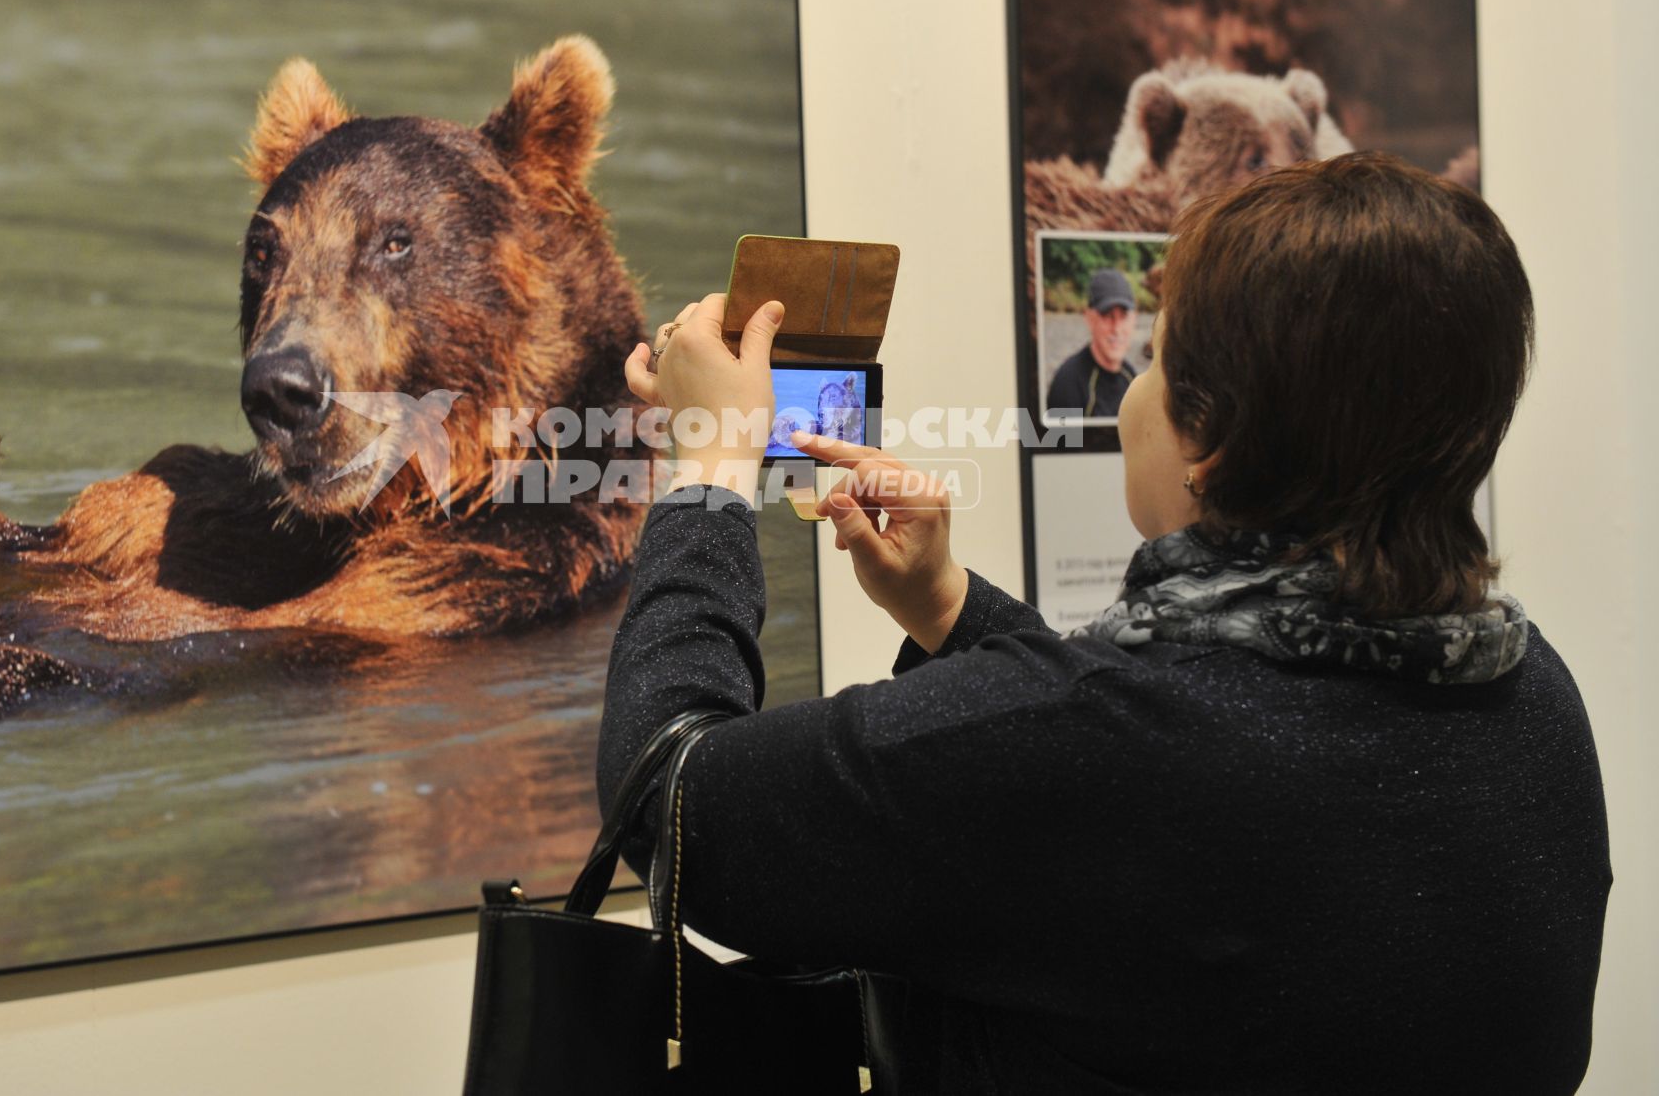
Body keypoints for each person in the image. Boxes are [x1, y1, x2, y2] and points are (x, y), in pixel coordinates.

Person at [600, 152, 1609, 1094]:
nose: (1132, 393)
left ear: (1209, 441)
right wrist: (948, 605)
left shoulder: (1114, 742)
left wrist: (711, 472)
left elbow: (671, 802)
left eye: (1160, 360)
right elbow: (1129, 800)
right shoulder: (1535, 704)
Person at [1045, 266, 1137, 418]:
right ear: (1089, 319)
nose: (1117, 328)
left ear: (1134, 319)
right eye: (1107, 316)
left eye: (1123, 316)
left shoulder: (1131, 378)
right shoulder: (1068, 384)